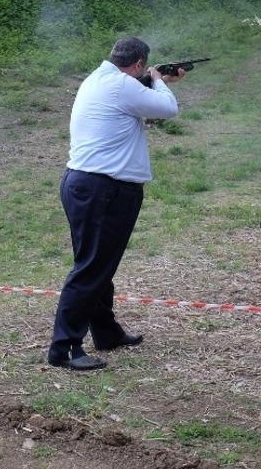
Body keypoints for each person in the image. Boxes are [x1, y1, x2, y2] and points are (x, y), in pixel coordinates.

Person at [47, 37, 184, 370]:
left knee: (99, 265)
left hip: (86, 184)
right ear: (138, 64)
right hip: (104, 188)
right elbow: (168, 109)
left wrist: (151, 81)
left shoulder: (98, 79)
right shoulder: (123, 85)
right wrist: (158, 80)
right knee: (92, 268)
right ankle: (64, 349)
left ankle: (106, 332)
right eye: (143, 68)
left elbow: (133, 103)